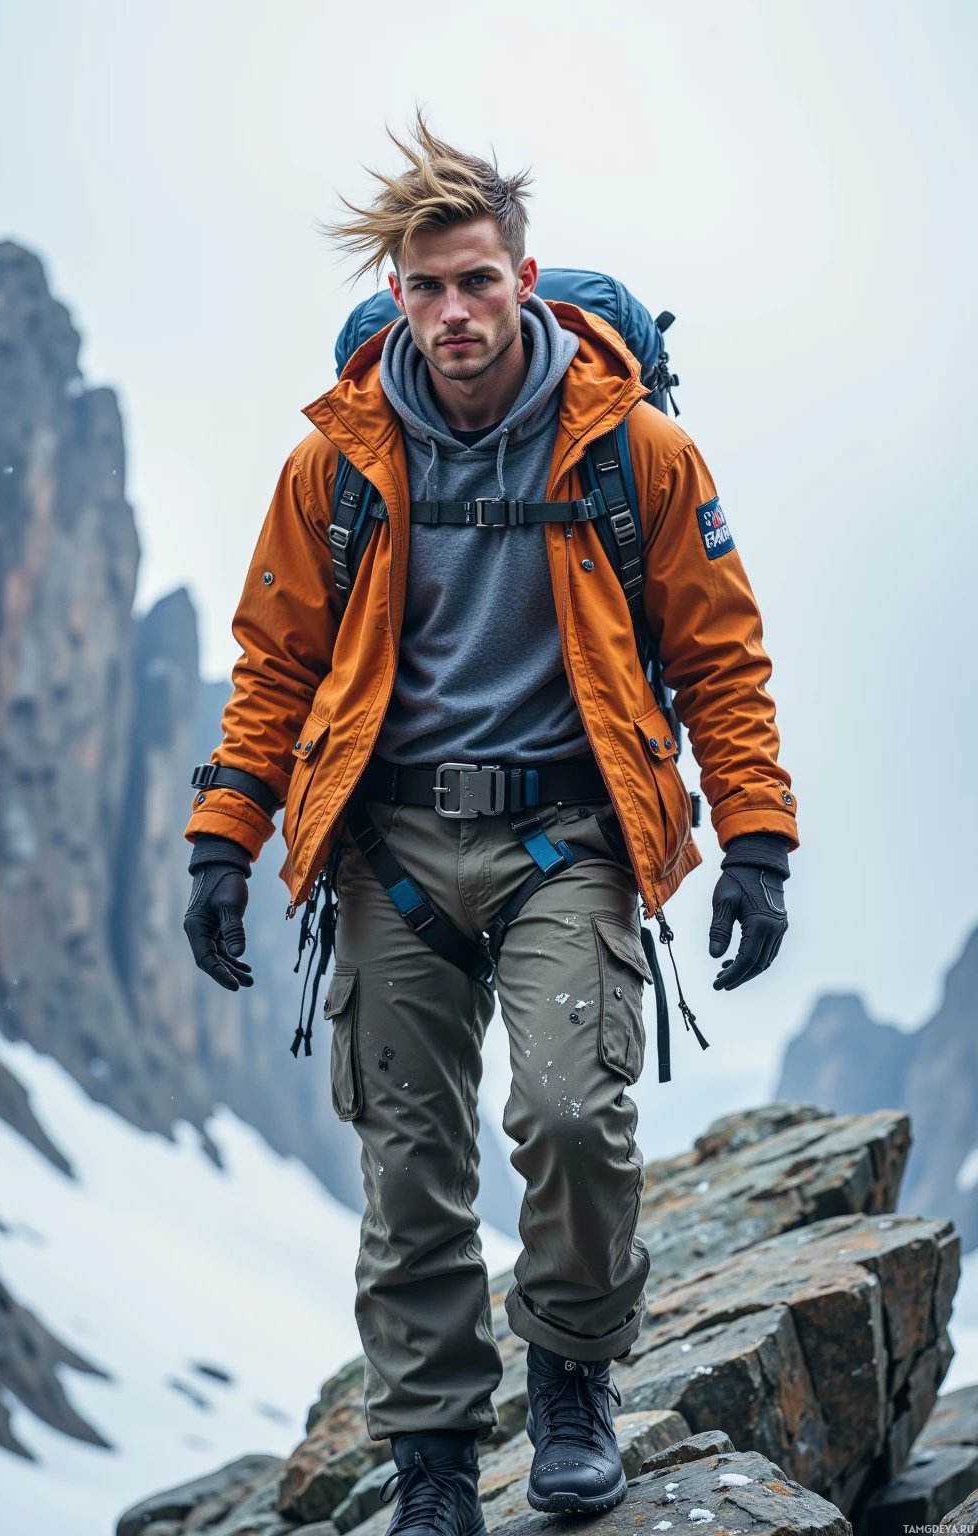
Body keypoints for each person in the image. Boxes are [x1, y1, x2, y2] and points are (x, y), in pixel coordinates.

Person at [183, 118, 797, 1536]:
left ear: (524, 278)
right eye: (426, 287)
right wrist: (225, 839)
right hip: (387, 852)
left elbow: (720, 657)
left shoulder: (637, 451)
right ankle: (437, 1466)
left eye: (475, 281)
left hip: (567, 841)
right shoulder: (335, 464)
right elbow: (276, 662)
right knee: (409, 1169)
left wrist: (756, 842)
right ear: (396, 294)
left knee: (573, 1116)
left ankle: (573, 1378)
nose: (453, 312)